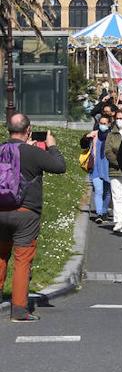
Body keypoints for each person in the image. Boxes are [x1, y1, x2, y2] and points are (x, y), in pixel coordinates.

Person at [0, 114, 66, 321]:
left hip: (1, 211)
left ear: (8, 129)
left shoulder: (1, 149)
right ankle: (19, 310)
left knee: (1, 256)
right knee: (22, 260)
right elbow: (59, 166)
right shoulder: (33, 152)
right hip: (26, 213)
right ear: (28, 130)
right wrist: (52, 146)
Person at [81, 113, 112, 223]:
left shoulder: (112, 136)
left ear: (109, 124)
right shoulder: (94, 134)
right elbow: (83, 144)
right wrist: (86, 137)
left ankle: (104, 211)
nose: (102, 125)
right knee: (98, 191)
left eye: (105, 123)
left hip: (108, 167)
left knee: (107, 192)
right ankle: (99, 213)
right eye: (101, 123)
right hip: (96, 167)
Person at [104, 112, 122, 232]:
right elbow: (108, 151)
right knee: (117, 196)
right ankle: (118, 222)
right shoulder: (111, 134)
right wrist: (118, 162)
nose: (119, 120)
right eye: (117, 118)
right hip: (115, 169)